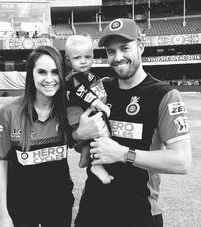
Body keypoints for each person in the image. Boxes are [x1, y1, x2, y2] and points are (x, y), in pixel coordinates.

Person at [73, 18, 192, 227]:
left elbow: (181, 161)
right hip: (93, 208)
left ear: (141, 47)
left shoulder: (164, 95)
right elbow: (78, 140)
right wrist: (79, 134)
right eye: (111, 51)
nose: (118, 57)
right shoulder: (101, 89)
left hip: (139, 212)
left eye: (125, 48)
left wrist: (121, 154)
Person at [0, 45, 74, 227]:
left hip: (59, 205)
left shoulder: (69, 111)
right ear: (31, 74)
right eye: (42, 72)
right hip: (20, 208)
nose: (49, 79)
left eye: (55, 72)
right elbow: (0, 164)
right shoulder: (8, 112)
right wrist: (3, 215)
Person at [65, 35, 113, 184]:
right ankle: (97, 165)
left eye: (87, 56)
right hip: (76, 114)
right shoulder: (73, 78)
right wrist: (100, 105)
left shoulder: (89, 75)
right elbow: (84, 93)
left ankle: (86, 153)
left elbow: (96, 87)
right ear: (68, 60)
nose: (83, 61)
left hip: (82, 112)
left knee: (94, 136)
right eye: (77, 58)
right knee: (103, 133)